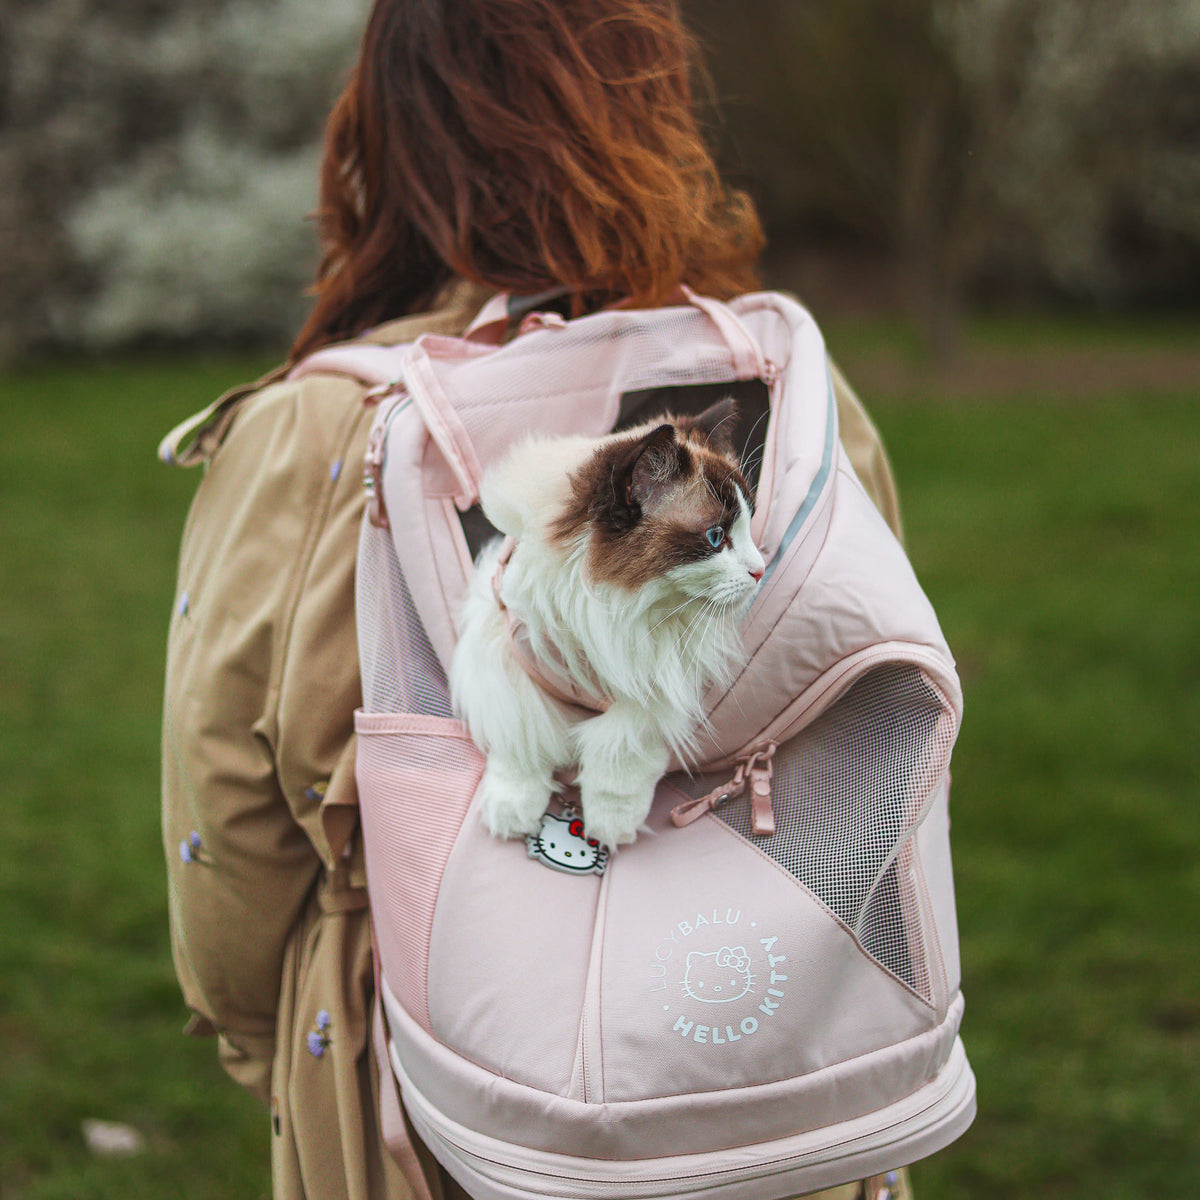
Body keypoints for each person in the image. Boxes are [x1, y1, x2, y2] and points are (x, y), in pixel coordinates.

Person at [160, 2, 909, 1198]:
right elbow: (886, 740)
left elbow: (231, 824)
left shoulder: (315, 430)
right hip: (768, 1058)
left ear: (393, 134)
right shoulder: (795, 406)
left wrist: (268, 1037)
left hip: (443, 1066)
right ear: (654, 107)